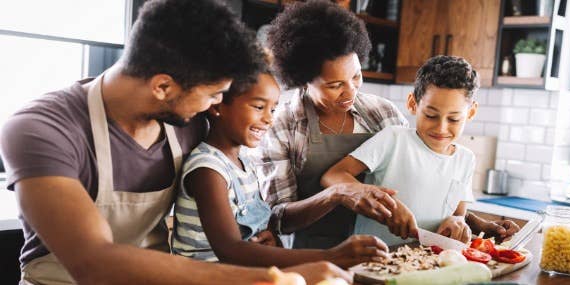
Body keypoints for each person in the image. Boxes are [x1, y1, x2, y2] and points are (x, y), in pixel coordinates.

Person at [0, 0, 349, 284]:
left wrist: (257, 234)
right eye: (214, 94)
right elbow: (93, 263)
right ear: (163, 87)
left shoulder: (188, 121)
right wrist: (274, 275)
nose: (216, 106)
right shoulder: (40, 130)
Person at [171, 63, 388, 268]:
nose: (269, 119)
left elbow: (249, 233)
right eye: (258, 107)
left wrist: (268, 236)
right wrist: (330, 257)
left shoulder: (243, 162)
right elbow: (230, 249)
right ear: (217, 106)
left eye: (273, 109)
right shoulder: (208, 170)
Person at [259, 0, 409, 250]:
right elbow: (278, 218)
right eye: (334, 85)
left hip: (382, 249)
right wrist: (337, 193)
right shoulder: (281, 124)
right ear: (304, 79)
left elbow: (418, 176)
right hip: (308, 254)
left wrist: (462, 216)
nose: (350, 92)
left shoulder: (383, 113)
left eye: (356, 76)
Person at [322, 55, 488, 245]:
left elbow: (459, 213)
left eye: (454, 119)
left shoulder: (466, 159)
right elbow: (333, 176)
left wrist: (457, 221)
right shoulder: (394, 139)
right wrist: (384, 202)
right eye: (431, 115)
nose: (441, 128)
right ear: (412, 104)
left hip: (426, 263)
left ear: (471, 112)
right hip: (373, 259)